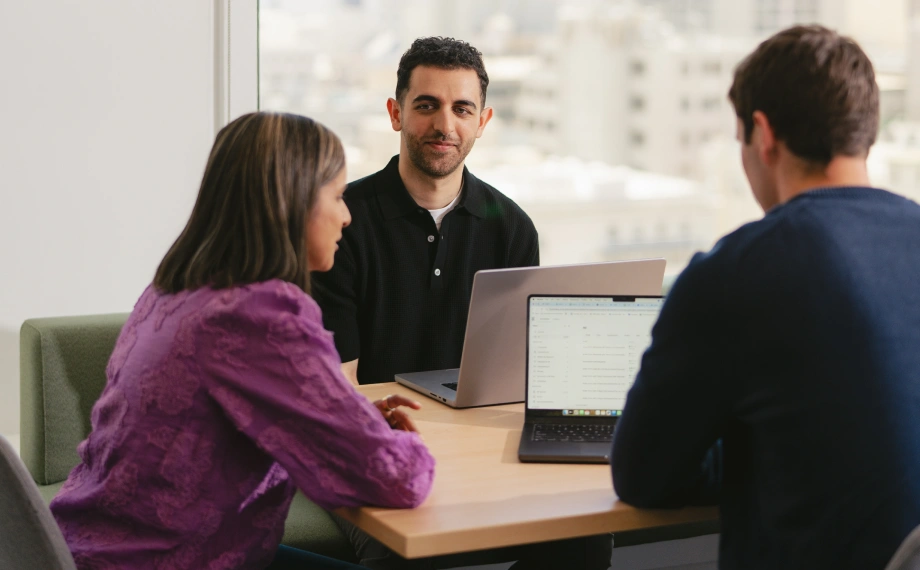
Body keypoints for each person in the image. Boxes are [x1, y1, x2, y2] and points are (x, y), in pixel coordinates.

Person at [49, 111, 435, 570]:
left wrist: (343, 419)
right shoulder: (262, 314)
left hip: (92, 548)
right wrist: (402, 445)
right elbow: (397, 480)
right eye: (337, 196)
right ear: (292, 204)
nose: (348, 216)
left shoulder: (175, 290)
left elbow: (227, 420)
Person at [610, 25, 920, 569]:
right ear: (864, 133)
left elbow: (644, 476)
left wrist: (752, 454)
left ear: (762, 134)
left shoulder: (737, 271)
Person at [312, 36, 539, 386]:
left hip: (474, 438)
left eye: (462, 109)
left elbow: (510, 378)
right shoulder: (340, 223)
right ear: (396, 113)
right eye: (426, 106)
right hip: (376, 434)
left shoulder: (514, 230)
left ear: (482, 122)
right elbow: (339, 384)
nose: (444, 127)